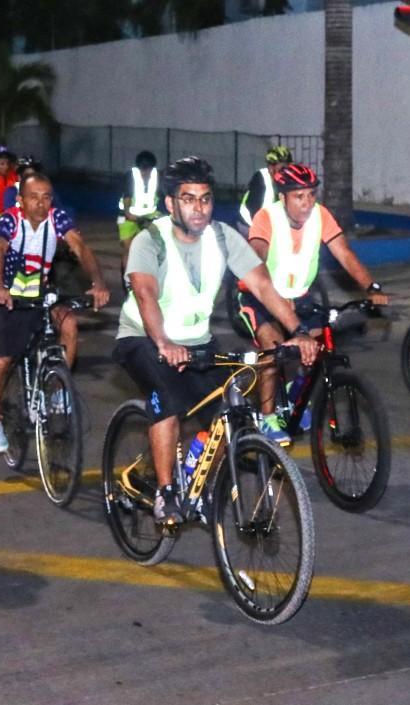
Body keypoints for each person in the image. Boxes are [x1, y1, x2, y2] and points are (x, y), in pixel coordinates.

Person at [115, 156, 319, 525]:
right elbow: (145, 294)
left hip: (197, 342)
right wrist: (162, 342)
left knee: (226, 417)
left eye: (205, 199)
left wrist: (298, 331)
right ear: (171, 204)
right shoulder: (150, 240)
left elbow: (262, 285)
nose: (199, 208)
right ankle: (165, 494)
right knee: (169, 404)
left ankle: (192, 476)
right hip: (143, 338)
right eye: (189, 199)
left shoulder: (223, 236)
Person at [238, 163, 389, 444]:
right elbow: (256, 259)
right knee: (273, 351)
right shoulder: (266, 218)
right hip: (261, 297)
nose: (307, 203)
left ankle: (295, 397)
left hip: (300, 296)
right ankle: (269, 419)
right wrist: (275, 298)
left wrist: (371, 286)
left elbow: (344, 253)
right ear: (283, 198)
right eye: (299, 196)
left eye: (310, 194)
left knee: (317, 346)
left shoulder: (321, 216)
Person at [0, 172, 110, 454]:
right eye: (33, 197)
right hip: (7, 298)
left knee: (69, 326)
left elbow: (79, 246)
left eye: (46, 197)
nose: (41, 204)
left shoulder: (57, 218)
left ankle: (59, 391)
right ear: (20, 200)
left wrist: (98, 283)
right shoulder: (10, 220)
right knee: (2, 362)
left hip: (40, 294)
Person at [117, 150, 161, 268]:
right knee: (128, 249)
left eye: (148, 169)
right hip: (125, 216)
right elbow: (127, 197)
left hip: (149, 216)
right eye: (143, 169)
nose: (145, 173)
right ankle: (127, 279)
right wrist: (128, 213)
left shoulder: (157, 176)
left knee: (151, 246)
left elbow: (163, 195)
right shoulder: (130, 176)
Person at [237, 145, 292, 234]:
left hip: (267, 225)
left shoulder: (284, 181)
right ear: (271, 168)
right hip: (248, 226)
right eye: (282, 168)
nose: (285, 172)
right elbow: (255, 212)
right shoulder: (260, 180)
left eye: (287, 168)